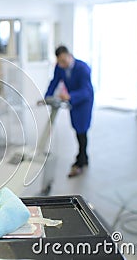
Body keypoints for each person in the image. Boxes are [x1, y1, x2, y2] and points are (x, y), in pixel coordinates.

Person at [43, 45, 94, 178]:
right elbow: (54, 81)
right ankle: (84, 157)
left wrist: (70, 96)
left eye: (64, 61)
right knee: (77, 129)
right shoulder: (60, 67)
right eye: (59, 61)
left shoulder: (83, 68)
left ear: (69, 56)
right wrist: (47, 97)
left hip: (84, 101)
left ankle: (80, 162)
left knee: (82, 131)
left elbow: (86, 90)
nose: (62, 64)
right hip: (72, 102)